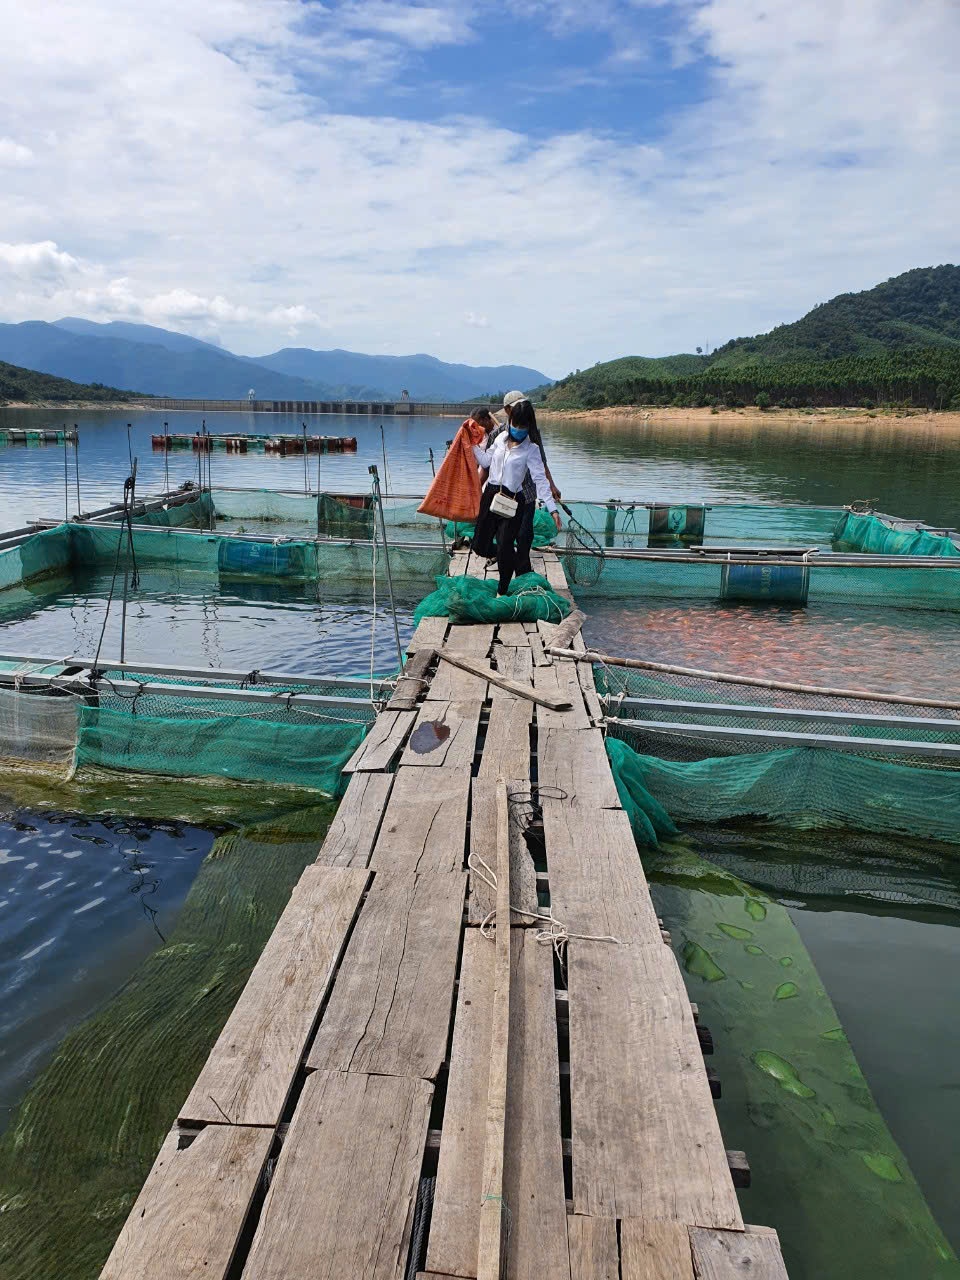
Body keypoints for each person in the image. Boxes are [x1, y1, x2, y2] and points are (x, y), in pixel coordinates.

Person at [471, 395, 562, 595]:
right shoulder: (500, 438)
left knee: (504, 544)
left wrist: (553, 510)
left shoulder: (532, 449)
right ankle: (510, 557)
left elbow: (540, 480)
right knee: (479, 545)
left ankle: (502, 590)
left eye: (522, 426)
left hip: (513, 499)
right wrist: (470, 446)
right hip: (491, 494)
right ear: (509, 421)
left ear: (528, 426)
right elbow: (486, 462)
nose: (517, 429)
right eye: (515, 424)